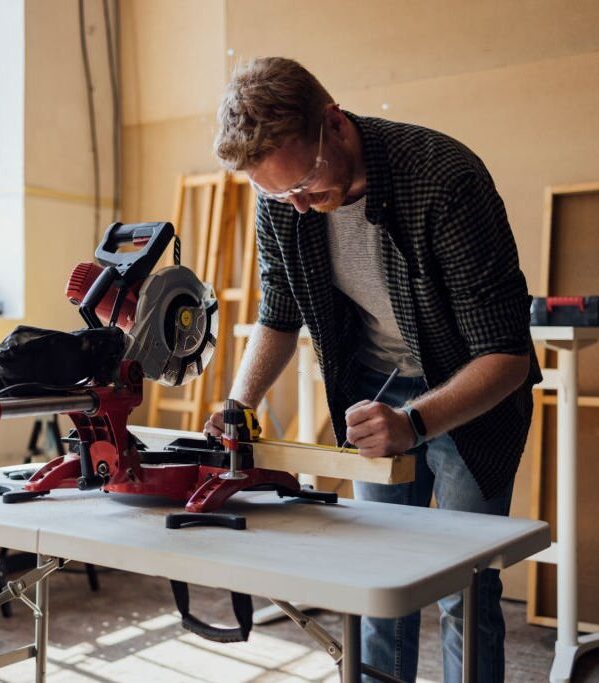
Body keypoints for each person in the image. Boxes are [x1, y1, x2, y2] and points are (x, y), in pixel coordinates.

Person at [204, 56, 541, 683]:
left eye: (304, 182)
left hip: (471, 394)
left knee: (463, 586)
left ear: (334, 123)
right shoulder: (281, 199)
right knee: (379, 581)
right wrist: (238, 402)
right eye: (278, 194)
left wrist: (414, 424)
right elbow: (280, 313)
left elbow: (507, 355)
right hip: (372, 396)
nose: (298, 206)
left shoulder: (444, 179)